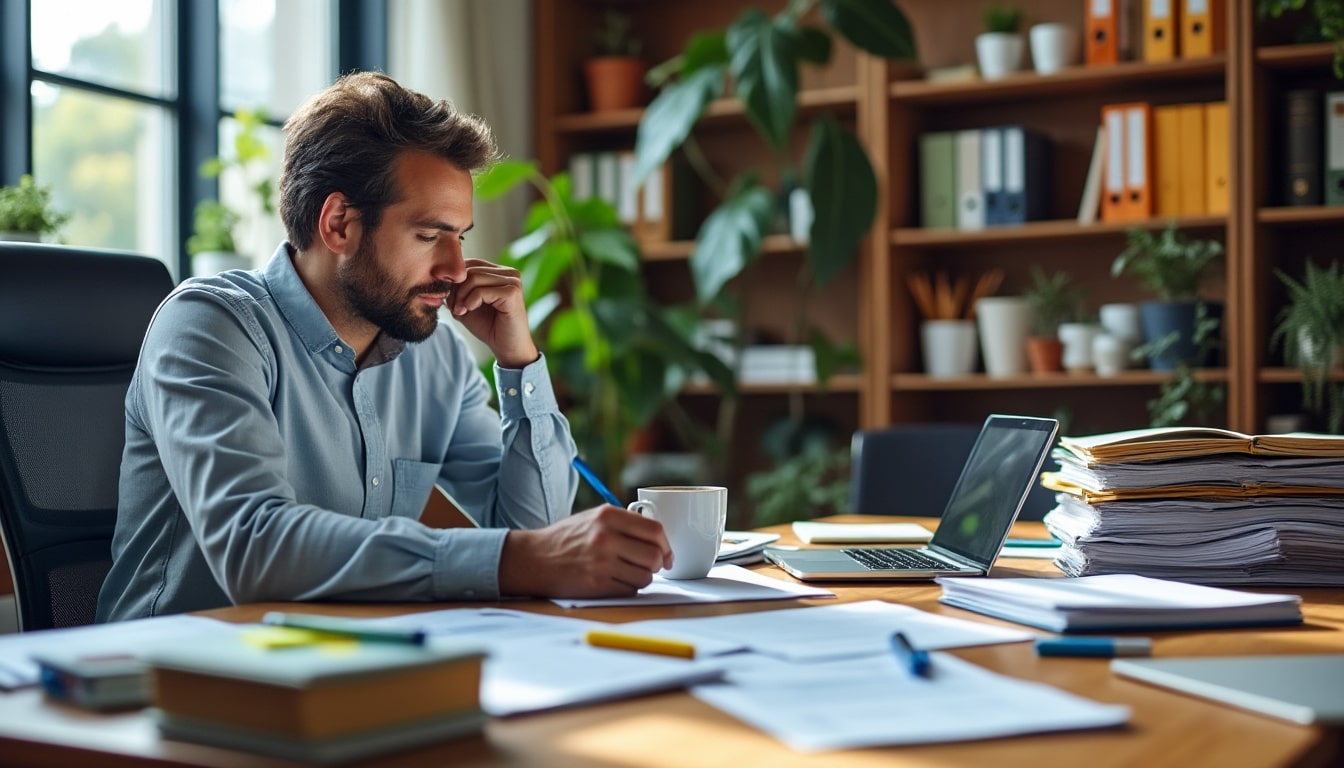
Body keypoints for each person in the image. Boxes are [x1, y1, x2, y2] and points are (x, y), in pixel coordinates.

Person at [96, 72, 672, 622]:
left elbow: (536, 532)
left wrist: (519, 363)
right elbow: (254, 548)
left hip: (344, 666)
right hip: (165, 683)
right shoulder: (210, 325)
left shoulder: (435, 355)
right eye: (429, 235)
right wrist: (515, 559)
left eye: (459, 237)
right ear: (339, 224)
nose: (454, 268)